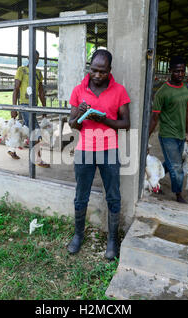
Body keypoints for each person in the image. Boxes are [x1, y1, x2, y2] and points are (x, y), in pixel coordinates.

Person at [67, 49, 130, 260]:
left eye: (102, 71)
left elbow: (125, 124)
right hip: (85, 149)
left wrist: (103, 120)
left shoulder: (119, 91)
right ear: (89, 68)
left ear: (109, 70)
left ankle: (112, 240)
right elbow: (73, 125)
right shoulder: (79, 90)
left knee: (113, 195)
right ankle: (78, 235)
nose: (97, 75)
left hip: (109, 150)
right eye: (94, 70)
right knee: (80, 195)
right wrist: (80, 114)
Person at [148, 56, 188, 203]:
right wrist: (146, 139)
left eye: (182, 71)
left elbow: (186, 111)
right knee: (177, 167)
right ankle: (178, 194)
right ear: (170, 71)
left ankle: (155, 178)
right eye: (176, 71)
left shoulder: (186, 88)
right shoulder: (162, 92)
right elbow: (154, 118)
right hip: (167, 134)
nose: (180, 74)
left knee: (172, 162)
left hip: (180, 134)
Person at [11, 50, 50, 168]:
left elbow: (41, 92)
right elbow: (16, 89)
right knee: (36, 131)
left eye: (37, 58)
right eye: (33, 57)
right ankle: (38, 159)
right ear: (28, 57)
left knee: (24, 129)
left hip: (34, 106)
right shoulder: (21, 70)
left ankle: (11, 149)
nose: (36, 60)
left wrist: (44, 108)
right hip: (24, 105)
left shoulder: (38, 73)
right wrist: (14, 107)